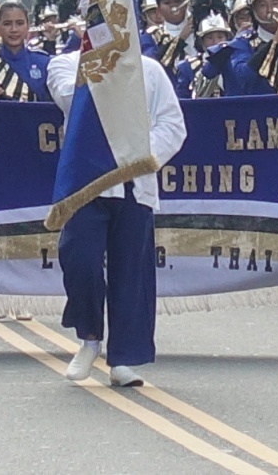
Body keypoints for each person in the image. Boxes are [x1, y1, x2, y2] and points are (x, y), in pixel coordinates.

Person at [48, 49, 187, 387]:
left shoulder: (150, 70)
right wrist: (105, 66)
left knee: (132, 273)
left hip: (133, 183)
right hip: (86, 184)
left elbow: (172, 125)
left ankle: (124, 357)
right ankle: (90, 337)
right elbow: (71, 99)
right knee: (80, 260)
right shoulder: (66, 64)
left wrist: (135, 155)